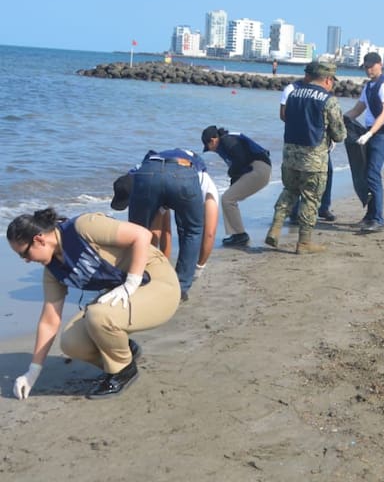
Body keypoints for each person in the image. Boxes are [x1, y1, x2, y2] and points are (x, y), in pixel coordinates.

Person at [7, 208, 180, 399]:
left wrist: (131, 283)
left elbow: (142, 235)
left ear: (39, 239)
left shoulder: (83, 226)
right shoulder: (53, 270)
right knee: (72, 343)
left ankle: (123, 371)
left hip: (157, 283)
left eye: (24, 254)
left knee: (98, 316)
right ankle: (126, 350)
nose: (26, 261)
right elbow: (49, 320)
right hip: (123, 294)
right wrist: (33, 371)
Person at [111, 150, 220, 295]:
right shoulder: (204, 178)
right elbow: (210, 233)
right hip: (183, 176)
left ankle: (137, 276)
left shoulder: (139, 169)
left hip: (147, 174)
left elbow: (159, 231)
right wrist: (198, 268)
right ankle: (180, 290)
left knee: (138, 232)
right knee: (192, 231)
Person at [265, 62, 346, 253]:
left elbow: (285, 117)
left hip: (290, 155)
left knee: (289, 191)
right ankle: (304, 242)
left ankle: (275, 229)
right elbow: (339, 135)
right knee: (311, 199)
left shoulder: (293, 94)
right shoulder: (328, 100)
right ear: (327, 79)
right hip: (314, 158)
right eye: (332, 80)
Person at [344, 52, 384, 233]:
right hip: (370, 131)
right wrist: (340, 119)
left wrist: (370, 134)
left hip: (382, 133)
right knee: (365, 172)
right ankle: (369, 216)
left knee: (373, 173)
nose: (368, 70)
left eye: (371, 66)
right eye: (365, 67)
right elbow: (357, 110)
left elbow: (383, 114)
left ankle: (378, 219)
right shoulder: (368, 87)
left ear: (380, 64)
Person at [281, 66, 336, 222]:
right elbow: (283, 114)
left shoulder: (322, 91)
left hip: (319, 140)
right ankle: (295, 212)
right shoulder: (291, 89)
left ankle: (324, 207)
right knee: (297, 178)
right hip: (299, 141)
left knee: (327, 172)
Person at [201, 125, 271, 246]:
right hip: (259, 168)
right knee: (229, 199)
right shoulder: (226, 141)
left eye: (208, 147)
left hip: (258, 169)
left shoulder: (227, 140)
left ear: (213, 140)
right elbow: (239, 164)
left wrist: (231, 173)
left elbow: (240, 159)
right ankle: (238, 234)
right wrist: (233, 180)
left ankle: (240, 236)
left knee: (227, 199)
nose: (210, 150)